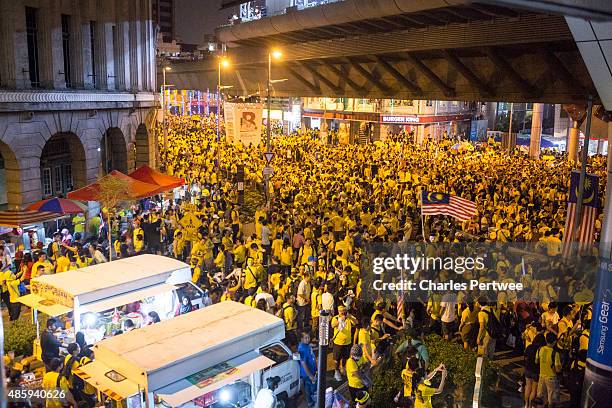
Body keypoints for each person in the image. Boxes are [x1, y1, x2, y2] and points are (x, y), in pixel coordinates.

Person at [332, 305, 358, 381]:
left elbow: (356, 322)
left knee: (345, 357)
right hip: (338, 342)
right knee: (336, 359)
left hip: (347, 342)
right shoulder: (335, 318)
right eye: (340, 311)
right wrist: (340, 320)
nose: (342, 312)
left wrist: (350, 317)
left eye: (343, 311)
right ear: (338, 312)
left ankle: (342, 368)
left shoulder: (349, 317)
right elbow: (333, 325)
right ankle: (336, 371)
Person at [535, 332, 561, 407]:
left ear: (546, 340)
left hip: (541, 376)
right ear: (555, 342)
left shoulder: (540, 349)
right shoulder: (555, 353)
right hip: (551, 378)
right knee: (552, 400)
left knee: (541, 399)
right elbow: (558, 369)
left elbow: (536, 361)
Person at [298, 331, 317, 408]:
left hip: (312, 371)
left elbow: (310, 347)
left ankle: (311, 401)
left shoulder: (306, 345)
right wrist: (310, 375)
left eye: (308, 337)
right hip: (307, 374)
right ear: (301, 339)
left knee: (310, 388)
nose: (308, 339)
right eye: (306, 338)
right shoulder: (302, 349)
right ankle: (310, 402)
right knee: (310, 389)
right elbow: (303, 363)